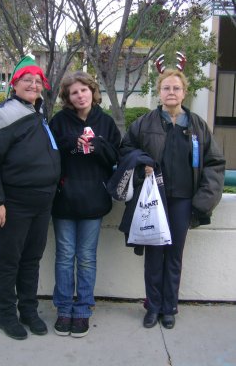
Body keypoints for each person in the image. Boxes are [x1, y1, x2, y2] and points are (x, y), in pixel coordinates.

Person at [119, 68, 225, 329]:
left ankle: (169, 308)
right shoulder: (145, 123)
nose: (171, 92)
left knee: (175, 255)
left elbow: (215, 163)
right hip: (154, 200)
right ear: (159, 91)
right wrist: (142, 161)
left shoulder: (197, 125)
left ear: (184, 92)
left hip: (184, 201)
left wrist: (202, 203)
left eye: (176, 88)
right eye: (166, 88)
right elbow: (126, 149)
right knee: (154, 255)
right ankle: (153, 307)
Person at [0, 55, 61, 340]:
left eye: (38, 82)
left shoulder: (39, 111)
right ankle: (6, 315)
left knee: (31, 260)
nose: (34, 85)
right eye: (27, 80)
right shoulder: (1, 114)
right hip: (12, 203)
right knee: (7, 261)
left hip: (42, 202)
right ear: (14, 84)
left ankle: (28, 310)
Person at [49, 71, 121, 338]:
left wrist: (98, 144)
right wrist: (70, 142)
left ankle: (82, 310)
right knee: (65, 257)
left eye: (84, 90)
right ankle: (64, 308)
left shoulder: (106, 122)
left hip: (93, 199)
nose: (80, 96)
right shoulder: (59, 122)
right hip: (64, 199)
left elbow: (116, 155)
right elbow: (50, 152)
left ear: (93, 91)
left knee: (87, 258)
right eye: (74, 92)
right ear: (67, 97)